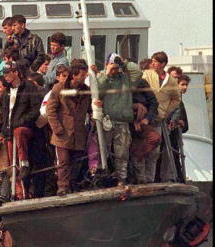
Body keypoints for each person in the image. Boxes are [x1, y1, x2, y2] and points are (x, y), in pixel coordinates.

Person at [0, 61, 43, 199]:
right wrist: (3, 131)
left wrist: (21, 122)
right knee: (13, 165)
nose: (5, 76)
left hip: (26, 129)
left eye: (8, 73)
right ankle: (20, 194)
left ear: (16, 72)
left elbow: (36, 110)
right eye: (4, 73)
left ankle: (25, 164)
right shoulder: (5, 93)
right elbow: (4, 115)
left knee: (19, 132)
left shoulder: (29, 87)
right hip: (10, 132)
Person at [46, 64, 91, 196]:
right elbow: (50, 109)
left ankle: (72, 184)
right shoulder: (59, 88)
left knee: (76, 160)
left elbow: (90, 109)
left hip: (78, 133)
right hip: (63, 132)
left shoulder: (86, 90)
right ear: (74, 75)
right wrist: (57, 128)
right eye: (82, 74)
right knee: (63, 161)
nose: (85, 77)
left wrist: (96, 107)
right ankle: (62, 187)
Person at [142, 51, 181, 182]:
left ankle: (149, 179)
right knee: (142, 148)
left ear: (163, 64)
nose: (152, 63)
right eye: (152, 61)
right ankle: (140, 178)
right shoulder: (147, 74)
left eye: (155, 61)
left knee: (154, 151)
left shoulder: (171, 81)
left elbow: (176, 99)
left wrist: (165, 111)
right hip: (145, 117)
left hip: (158, 119)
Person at [96, 53, 135, 185]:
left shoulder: (126, 79)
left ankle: (121, 179)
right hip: (106, 121)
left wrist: (123, 63)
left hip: (123, 121)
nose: (114, 69)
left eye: (116, 67)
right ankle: (101, 178)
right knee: (102, 150)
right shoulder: (101, 77)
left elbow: (138, 72)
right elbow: (97, 92)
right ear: (106, 64)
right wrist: (106, 74)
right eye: (112, 65)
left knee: (122, 153)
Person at [168, 74, 190, 182]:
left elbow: (184, 122)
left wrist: (181, 123)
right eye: (182, 84)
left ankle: (178, 177)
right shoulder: (174, 99)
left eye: (186, 85)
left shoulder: (179, 100)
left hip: (175, 132)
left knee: (175, 154)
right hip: (170, 131)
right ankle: (177, 177)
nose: (185, 87)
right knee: (172, 154)